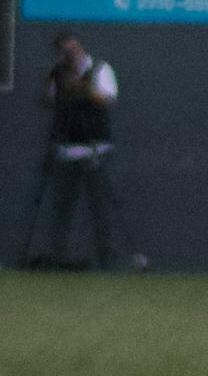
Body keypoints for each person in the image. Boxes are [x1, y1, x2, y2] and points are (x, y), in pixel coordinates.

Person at [22, 34, 134, 271]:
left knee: (100, 207)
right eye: (66, 52)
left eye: (73, 49)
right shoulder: (58, 73)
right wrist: (56, 85)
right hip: (66, 150)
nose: (71, 55)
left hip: (95, 149)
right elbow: (48, 102)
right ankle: (59, 258)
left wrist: (84, 87)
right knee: (62, 208)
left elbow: (107, 99)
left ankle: (107, 260)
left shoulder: (99, 69)